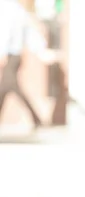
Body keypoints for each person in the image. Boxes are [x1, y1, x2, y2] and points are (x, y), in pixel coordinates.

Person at [0, 0, 54, 130]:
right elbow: (29, 33)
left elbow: (6, 32)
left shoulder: (9, 7)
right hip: (15, 56)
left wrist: (2, 53)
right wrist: (40, 50)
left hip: (11, 55)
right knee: (12, 88)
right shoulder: (18, 9)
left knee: (5, 88)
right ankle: (37, 119)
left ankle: (37, 119)